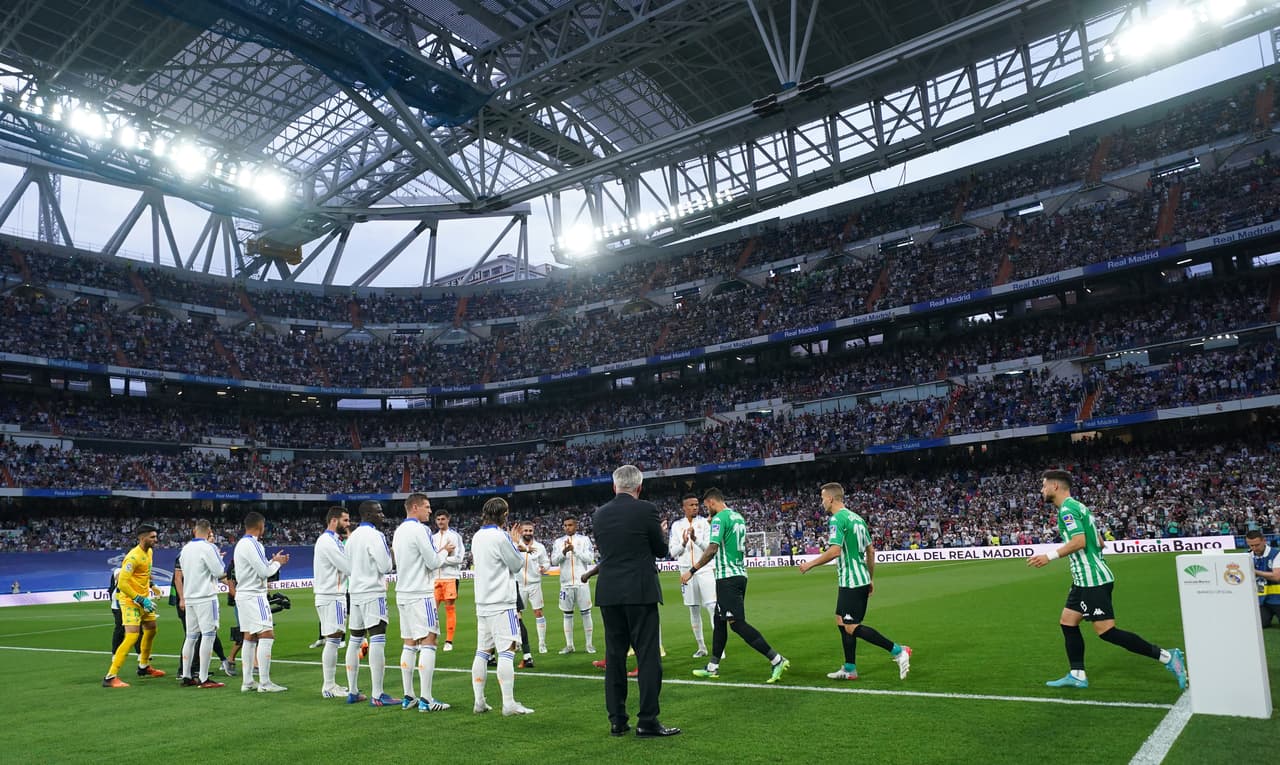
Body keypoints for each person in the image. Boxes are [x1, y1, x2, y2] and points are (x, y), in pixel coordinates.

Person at [1028, 469, 1187, 689]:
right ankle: (1077, 674)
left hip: (1092, 580)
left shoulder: (1066, 510)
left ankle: (1168, 657)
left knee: (1106, 631)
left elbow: (1080, 541)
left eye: (1044, 485)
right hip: (1083, 579)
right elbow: (1099, 541)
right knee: (1068, 621)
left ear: (1055, 486)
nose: (1041, 489)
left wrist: (1049, 556)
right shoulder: (1080, 507)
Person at [592, 464, 679, 738]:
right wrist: (661, 532)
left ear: (614, 486)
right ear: (639, 487)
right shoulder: (647, 510)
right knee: (648, 656)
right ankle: (648, 721)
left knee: (615, 657)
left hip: (609, 592)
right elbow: (661, 550)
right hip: (640, 591)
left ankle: (617, 720)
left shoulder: (599, 514)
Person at [798, 483, 912, 681]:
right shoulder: (857, 519)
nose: (822, 502)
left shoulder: (837, 519)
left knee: (851, 626)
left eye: (823, 498)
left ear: (831, 499)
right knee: (841, 620)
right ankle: (850, 669)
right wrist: (870, 578)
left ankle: (898, 650)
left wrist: (811, 564)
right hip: (858, 579)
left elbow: (835, 551)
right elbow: (871, 551)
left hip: (852, 581)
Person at [682, 488, 789, 684]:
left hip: (727, 577)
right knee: (719, 620)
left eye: (707, 506)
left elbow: (712, 549)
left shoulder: (719, 519)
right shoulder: (737, 517)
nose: (707, 511)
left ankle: (776, 659)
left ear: (712, 503)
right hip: (740, 574)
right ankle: (713, 666)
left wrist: (692, 570)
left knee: (737, 624)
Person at [469, 497, 533, 716]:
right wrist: (515, 544)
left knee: (482, 651)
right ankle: (508, 703)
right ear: (504, 515)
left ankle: (479, 701)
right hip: (502, 602)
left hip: (483, 602)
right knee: (507, 650)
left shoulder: (477, 536)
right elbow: (516, 564)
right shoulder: (501, 536)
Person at [392, 493, 452, 712]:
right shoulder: (421, 530)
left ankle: (408, 696)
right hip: (421, 592)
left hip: (403, 592)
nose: (430, 511)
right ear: (415, 507)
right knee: (429, 641)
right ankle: (426, 699)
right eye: (427, 507)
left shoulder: (398, 531)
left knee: (409, 644)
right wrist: (445, 552)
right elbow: (433, 561)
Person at [232, 512, 290, 693]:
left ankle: (248, 682)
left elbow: (259, 567)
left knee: (249, 637)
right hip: (255, 596)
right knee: (267, 634)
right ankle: (264, 683)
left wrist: (272, 560)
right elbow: (265, 572)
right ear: (260, 526)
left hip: (243, 594)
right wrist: (278, 563)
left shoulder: (241, 544)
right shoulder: (254, 543)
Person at [103, 524, 166, 687]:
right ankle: (110, 676)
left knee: (152, 629)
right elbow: (122, 583)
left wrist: (152, 585)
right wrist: (140, 598)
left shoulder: (149, 552)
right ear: (142, 537)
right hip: (130, 600)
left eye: (155, 536)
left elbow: (144, 573)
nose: (155, 540)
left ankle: (143, 666)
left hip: (143, 599)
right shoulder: (132, 557)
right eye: (152, 537)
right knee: (131, 636)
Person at [345, 500, 395, 706]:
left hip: (355, 592)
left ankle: (353, 691)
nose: (382, 515)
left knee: (355, 639)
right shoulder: (376, 536)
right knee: (377, 638)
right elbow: (386, 566)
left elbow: (348, 566)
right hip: (373, 592)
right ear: (367, 514)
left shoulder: (352, 537)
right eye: (378, 512)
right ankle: (378, 694)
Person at [177, 519, 229, 688]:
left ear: (194, 531)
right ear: (209, 531)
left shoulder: (185, 549)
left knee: (191, 637)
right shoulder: (209, 547)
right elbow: (220, 571)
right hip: (206, 596)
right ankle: (204, 678)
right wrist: (219, 558)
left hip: (190, 596)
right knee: (208, 635)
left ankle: (186, 675)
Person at [669, 492, 716, 657]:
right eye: (691, 505)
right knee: (693, 609)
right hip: (685, 571)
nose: (695, 507)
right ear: (684, 507)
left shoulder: (705, 523)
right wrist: (683, 543)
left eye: (697, 504)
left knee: (711, 607)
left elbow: (710, 548)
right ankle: (702, 647)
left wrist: (695, 539)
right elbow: (673, 552)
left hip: (705, 569)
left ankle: (719, 649)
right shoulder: (676, 526)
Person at [314, 505, 352, 698]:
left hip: (330, 595)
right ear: (334, 520)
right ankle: (328, 686)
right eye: (345, 520)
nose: (348, 524)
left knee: (333, 639)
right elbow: (347, 566)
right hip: (332, 595)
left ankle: (330, 684)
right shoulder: (328, 541)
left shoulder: (332, 540)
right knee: (333, 640)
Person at [551, 517, 596, 654]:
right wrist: (564, 552)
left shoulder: (584, 540)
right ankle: (569, 645)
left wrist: (574, 550)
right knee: (567, 614)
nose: (567, 528)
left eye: (570, 525)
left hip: (581, 583)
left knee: (586, 613)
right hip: (565, 584)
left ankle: (589, 644)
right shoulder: (558, 542)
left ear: (576, 525)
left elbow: (589, 558)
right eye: (565, 525)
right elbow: (553, 561)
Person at [431, 510, 466, 652]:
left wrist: (439, 559)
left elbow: (458, 558)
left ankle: (449, 641)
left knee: (449, 609)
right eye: (438, 519)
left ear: (448, 519)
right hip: (434, 578)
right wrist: (441, 555)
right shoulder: (432, 537)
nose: (440, 521)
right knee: (431, 610)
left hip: (450, 577)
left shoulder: (454, 536)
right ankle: (431, 638)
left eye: (443, 519)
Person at [514, 520, 550, 656]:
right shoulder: (515, 545)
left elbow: (546, 562)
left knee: (538, 612)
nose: (528, 533)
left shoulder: (540, 547)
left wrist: (544, 568)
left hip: (534, 583)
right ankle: (517, 642)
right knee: (518, 615)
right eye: (525, 530)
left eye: (530, 530)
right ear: (521, 531)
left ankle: (542, 643)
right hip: (519, 584)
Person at [1246, 530, 1280, 626]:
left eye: (1257, 545)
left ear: (1264, 541)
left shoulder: (1276, 554)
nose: (1254, 548)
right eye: (1251, 545)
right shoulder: (1247, 555)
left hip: (1278, 598)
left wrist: (1254, 572)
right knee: (1261, 625)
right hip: (1261, 600)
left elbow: (1277, 577)